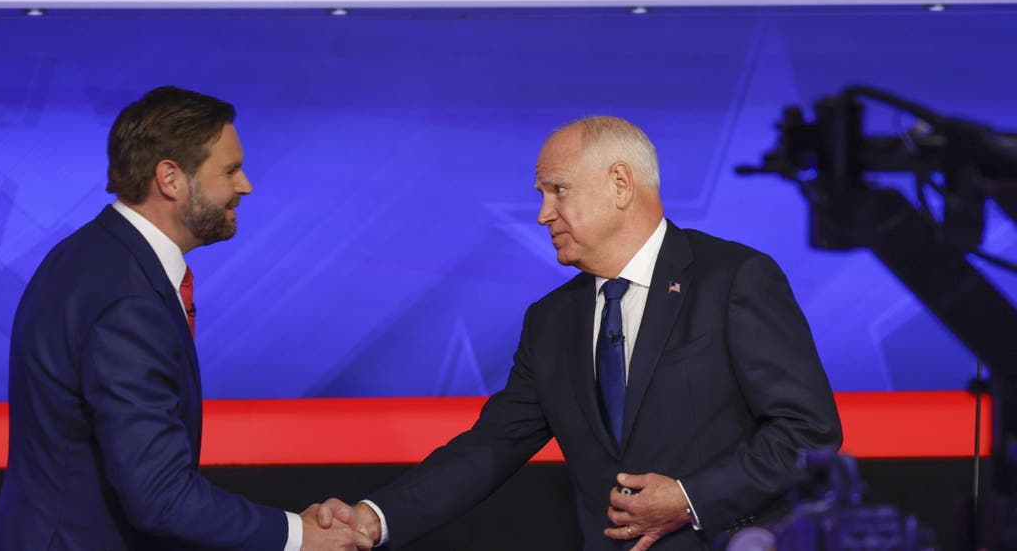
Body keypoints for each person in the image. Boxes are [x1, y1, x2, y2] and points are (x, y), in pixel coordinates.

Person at [343, 116, 842, 550]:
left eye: (558, 189)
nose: (543, 214)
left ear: (620, 184)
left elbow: (808, 432)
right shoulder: (551, 321)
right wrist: (372, 519)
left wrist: (689, 499)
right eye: (541, 195)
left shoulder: (732, 278)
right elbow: (490, 448)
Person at [0, 86, 370, 551]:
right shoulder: (127, 299)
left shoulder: (91, 255)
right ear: (170, 178)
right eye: (229, 170)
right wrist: (298, 536)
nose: (244, 185)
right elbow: (160, 497)